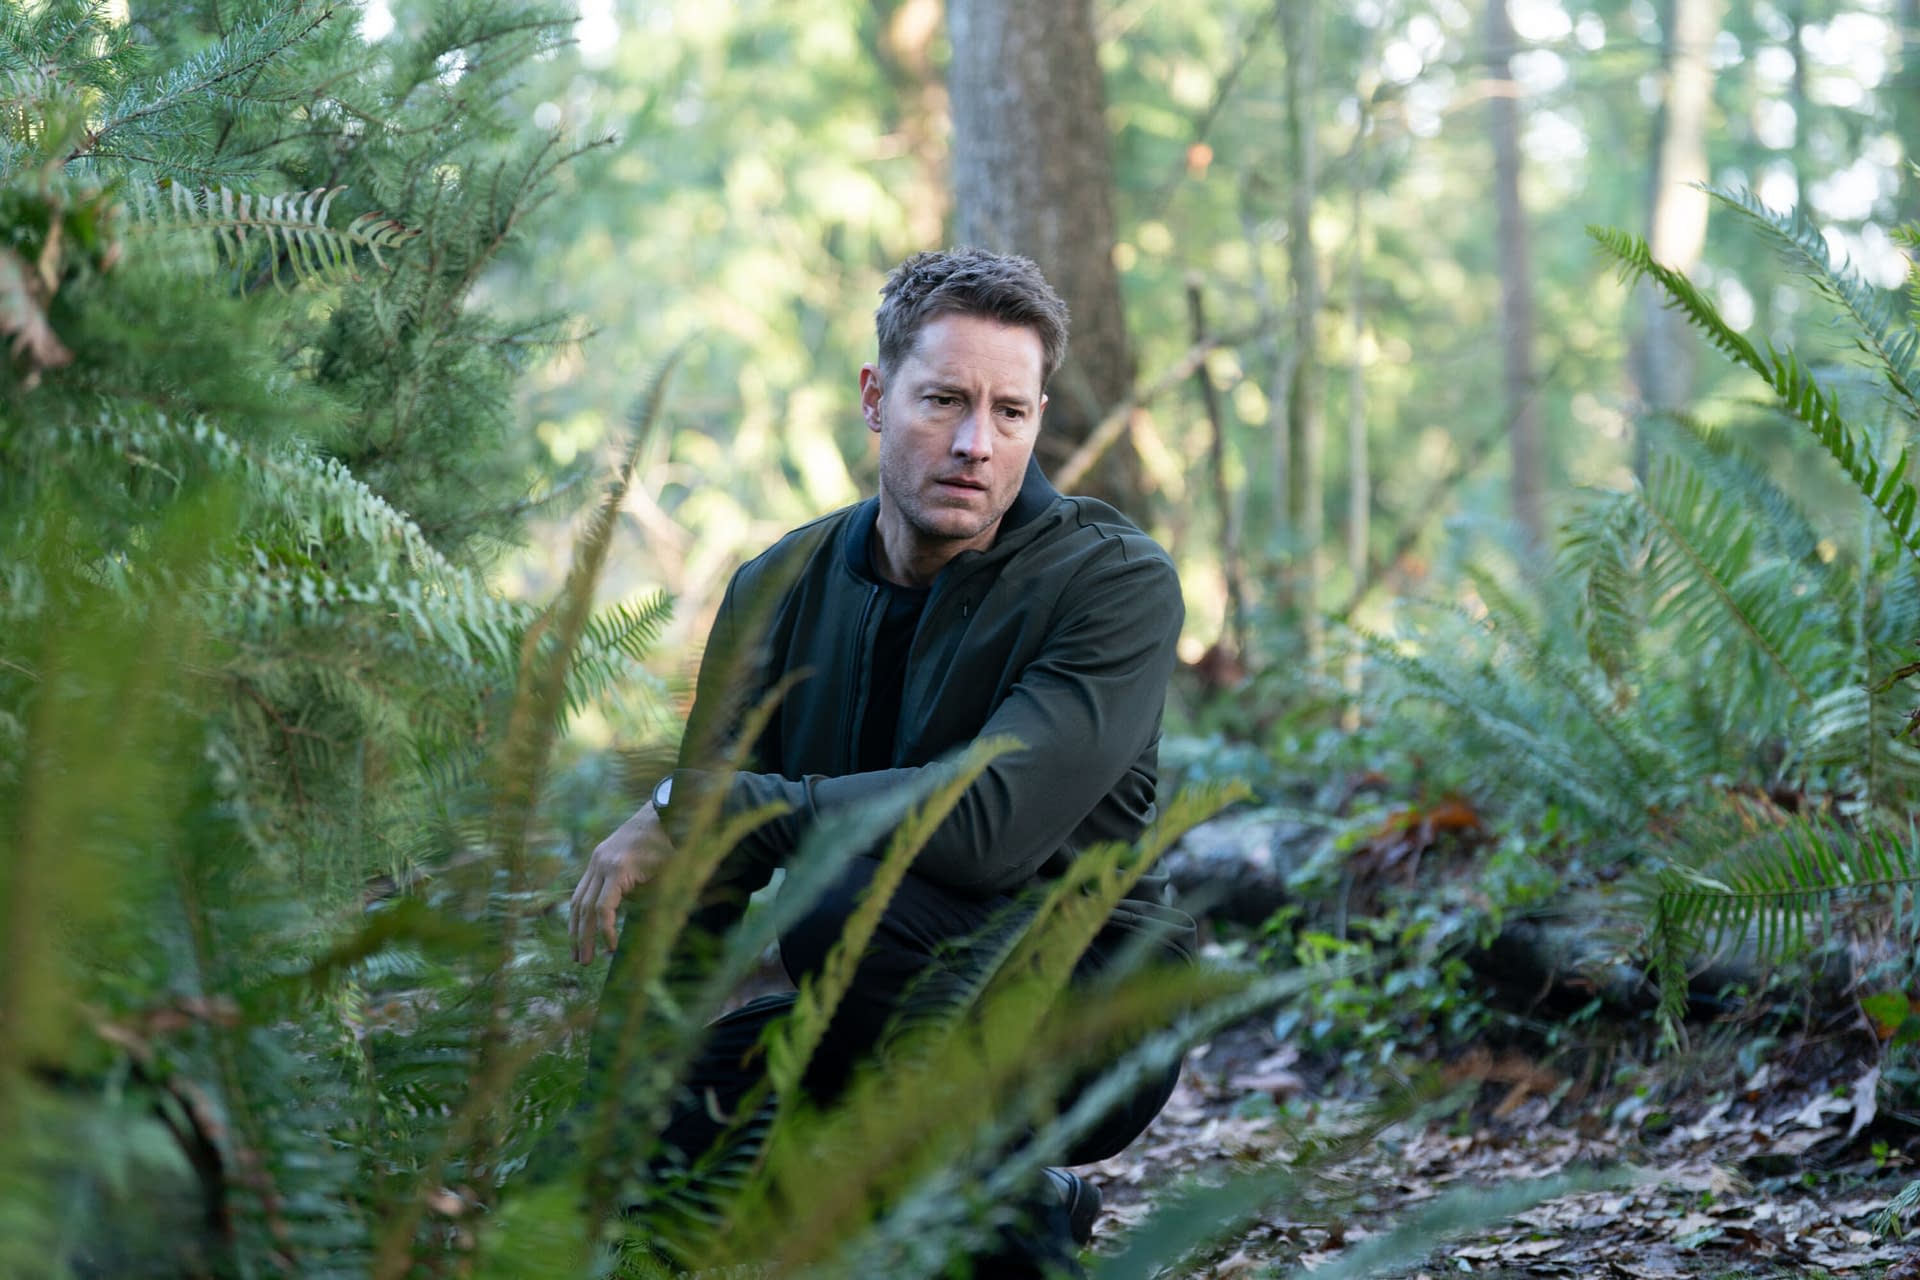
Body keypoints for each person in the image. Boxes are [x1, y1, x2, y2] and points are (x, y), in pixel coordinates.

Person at [568, 247, 1194, 1278]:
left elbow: (987, 825)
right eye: (943, 400)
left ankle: (1004, 1214)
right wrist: (598, 1134)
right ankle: (1019, 1200)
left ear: (1037, 418)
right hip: (879, 999)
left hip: (1092, 1005)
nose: (974, 443)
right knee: (669, 1134)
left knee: (843, 898)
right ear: (874, 396)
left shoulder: (1113, 580)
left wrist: (710, 803)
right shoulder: (779, 587)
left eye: (1009, 412)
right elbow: (696, 879)